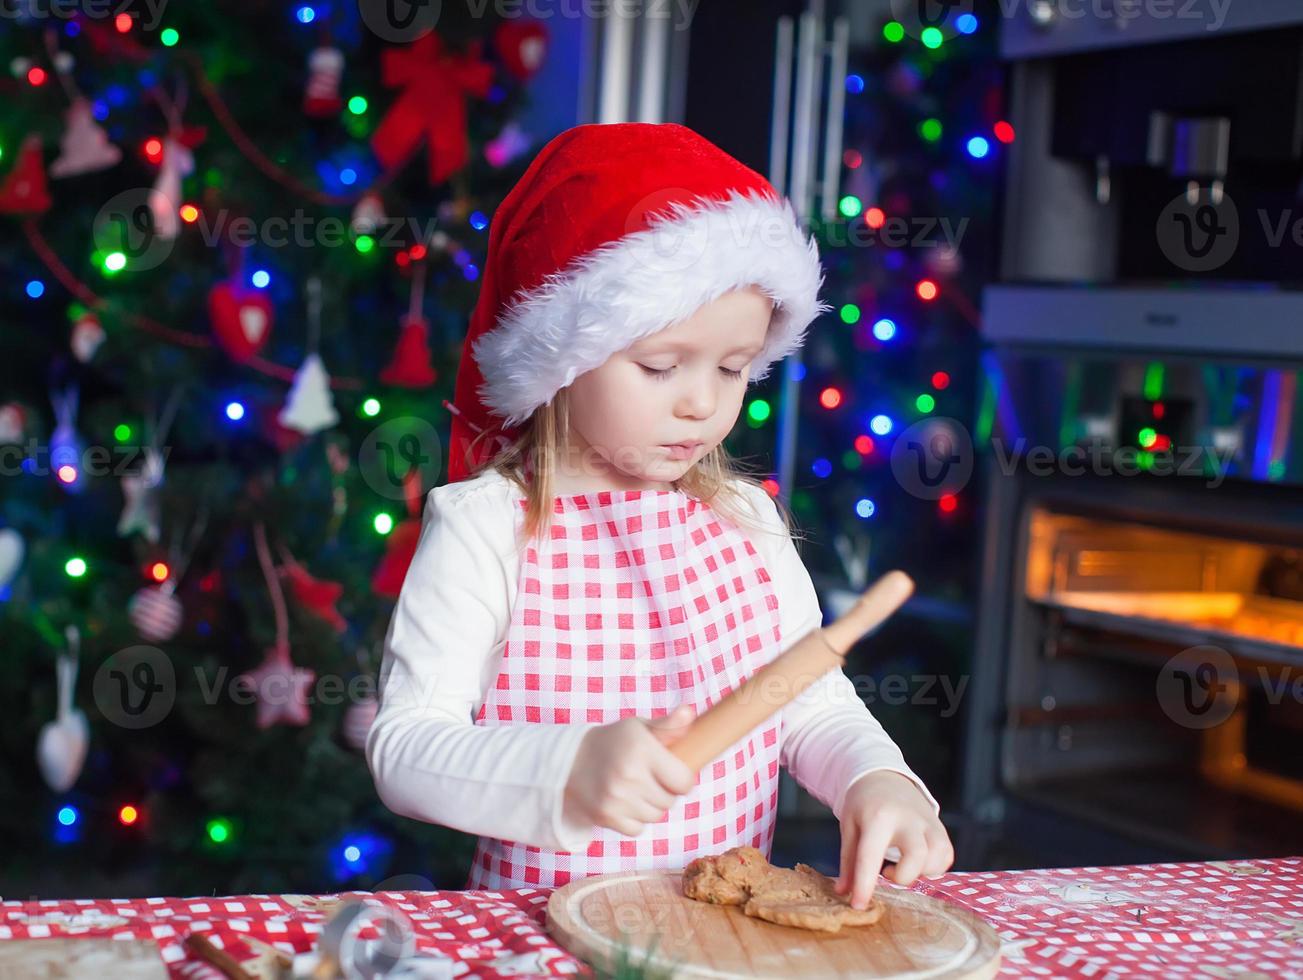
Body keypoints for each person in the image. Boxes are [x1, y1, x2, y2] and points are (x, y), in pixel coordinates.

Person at [366, 123, 954, 908]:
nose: (702, 401)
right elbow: (405, 749)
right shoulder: (485, 528)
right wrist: (563, 770)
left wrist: (875, 777)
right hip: (541, 947)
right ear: (562, 356)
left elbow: (806, 702)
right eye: (659, 365)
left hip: (717, 943)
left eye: (734, 367)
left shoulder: (745, 518)